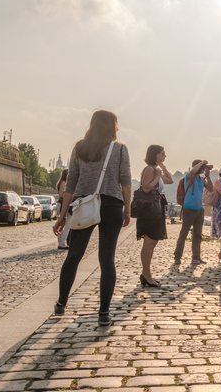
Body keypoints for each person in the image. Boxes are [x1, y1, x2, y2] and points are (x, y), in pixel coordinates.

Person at [53, 110, 131, 326]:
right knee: (107, 260)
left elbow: (71, 184)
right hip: (112, 205)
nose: (118, 127)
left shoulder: (80, 148)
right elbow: (125, 181)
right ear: (111, 125)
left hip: (84, 205)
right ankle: (104, 312)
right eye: (116, 123)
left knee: (74, 255)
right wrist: (127, 211)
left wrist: (62, 215)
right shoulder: (120, 149)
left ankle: (61, 303)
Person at [137, 145, 173, 287]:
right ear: (156, 154)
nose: (165, 155)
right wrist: (157, 175)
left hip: (156, 209)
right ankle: (146, 275)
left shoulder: (155, 169)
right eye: (163, 154)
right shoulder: (149, 170)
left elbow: (170, 180)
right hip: (149, 210)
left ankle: (146, 274)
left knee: (152, 242)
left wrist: (162, 167)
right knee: (149, 243)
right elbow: (146, 187)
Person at [173, 159, 213, 265]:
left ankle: (196, 257)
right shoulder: (189, 177)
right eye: (203, 168)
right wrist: (202, 163)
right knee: (184, 233)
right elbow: (193, 170)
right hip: (188, 209)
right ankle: (177, 256)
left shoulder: (201, 179)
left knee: (197, 235)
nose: (204, 169)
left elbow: (211, 189)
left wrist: (208, 175)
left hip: (199, 210)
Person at [55, 169, 70, 249]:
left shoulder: (61, 182)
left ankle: (61, 242)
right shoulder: (64, 183)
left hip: (61, 203)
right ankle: (62, 242)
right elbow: (61, 194)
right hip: (63, 203)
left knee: (64, 224)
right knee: (67, 224)